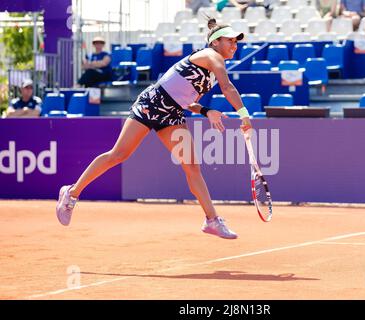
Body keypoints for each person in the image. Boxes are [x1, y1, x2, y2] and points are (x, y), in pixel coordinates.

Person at [56, 18, 252, 240]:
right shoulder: (210, 56)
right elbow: (228, 87)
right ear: (216, 42)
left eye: (236, 42)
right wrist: (244, 115)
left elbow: (186, 101)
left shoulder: (209, 76)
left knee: (192, 167)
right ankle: (71, 193)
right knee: (118, 154)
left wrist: (207, 111)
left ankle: (212, 220)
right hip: (151, 104)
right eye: (230, 41)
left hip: (171, 114)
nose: (234, 45)